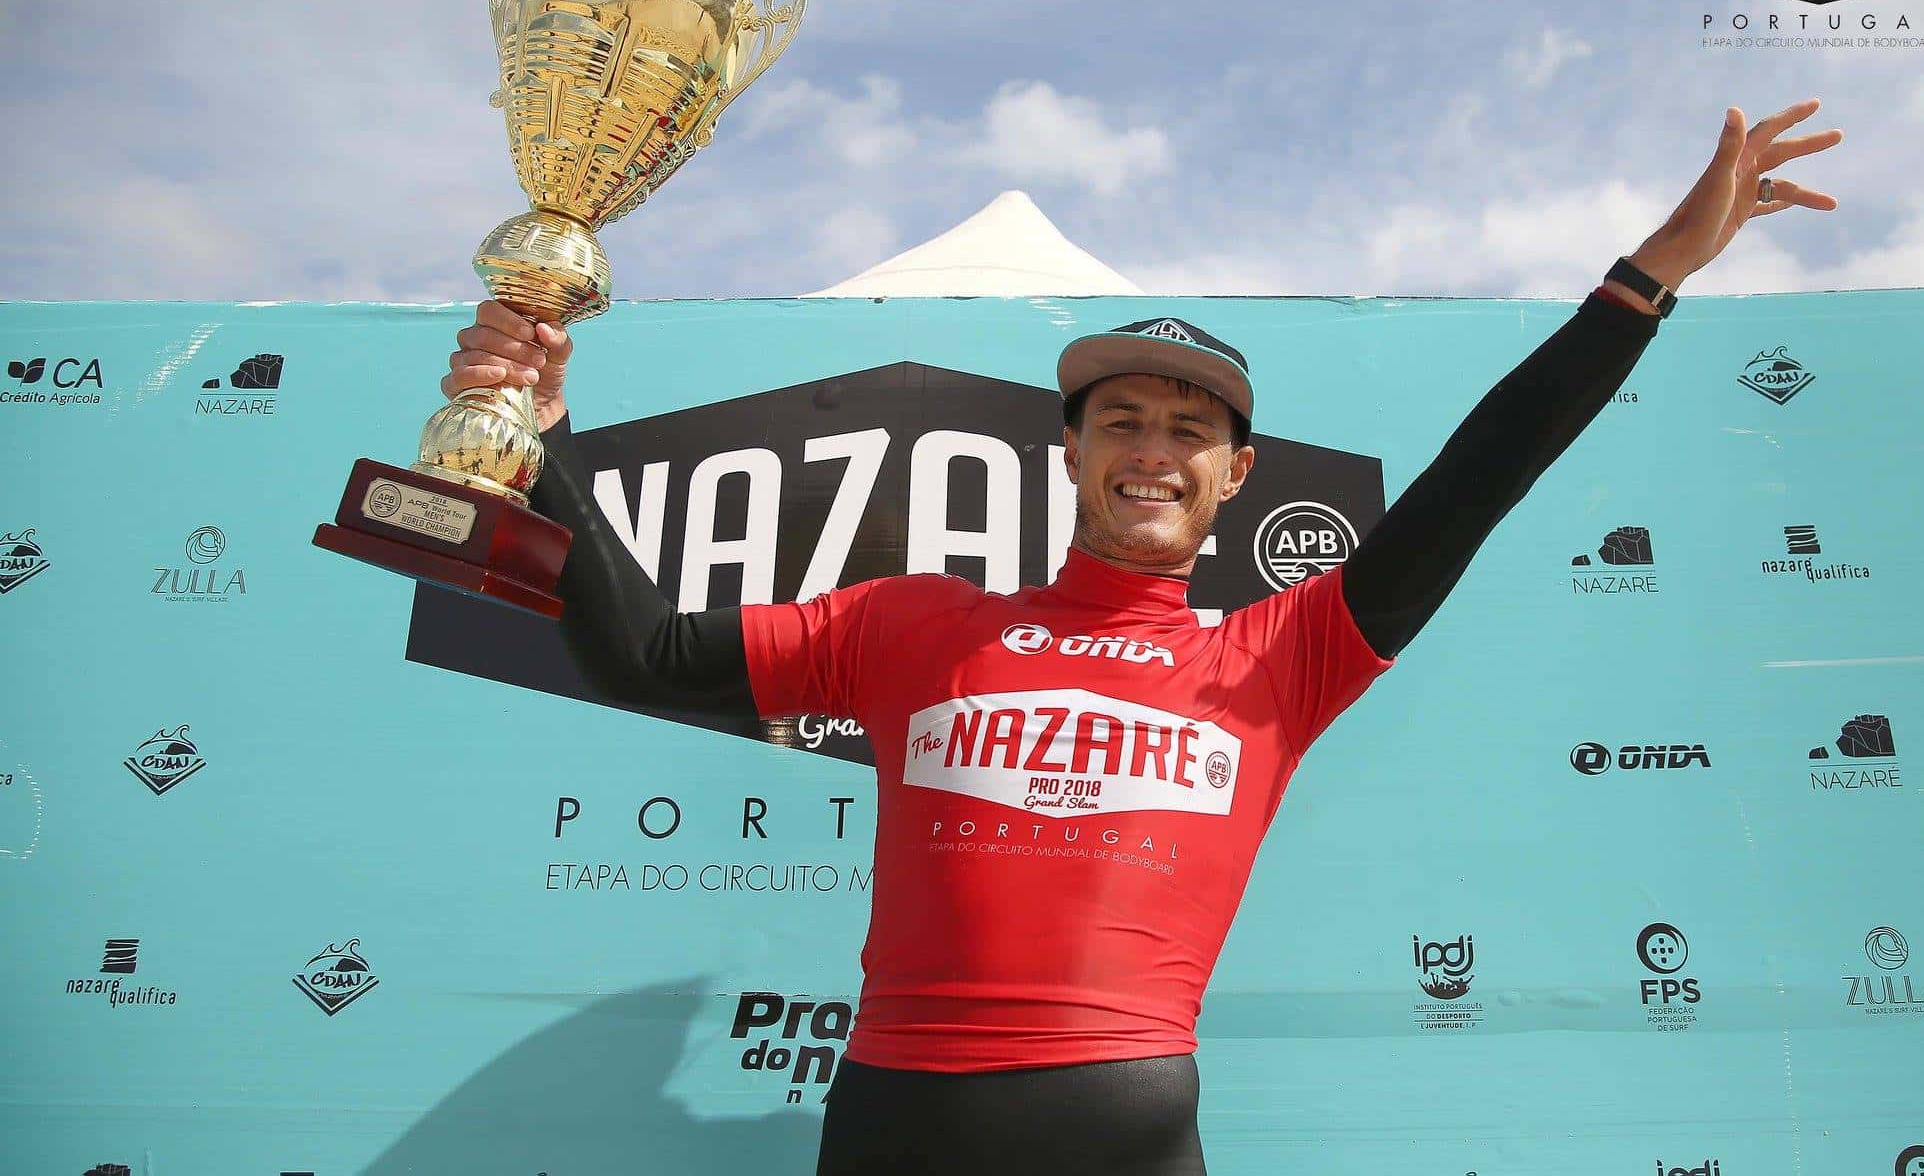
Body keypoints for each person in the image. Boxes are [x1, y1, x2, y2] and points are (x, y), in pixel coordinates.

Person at [441, 100, 1840, 1174]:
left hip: (1113, 1122)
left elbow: (1481, 474)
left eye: (1190, 427)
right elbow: (638, 653)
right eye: (1121, 417)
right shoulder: (911, 618)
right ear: (1069, 451)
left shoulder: (1284, 652)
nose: (1152, 448)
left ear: (1237, 473)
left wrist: (1647, 272)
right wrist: (544, 435)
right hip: (887, 1120)